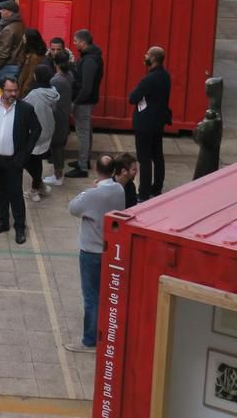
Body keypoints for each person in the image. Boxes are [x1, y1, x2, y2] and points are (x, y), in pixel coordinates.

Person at [64, 153, 125, 353]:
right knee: (106, 294)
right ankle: (106, 333)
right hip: (109, 250)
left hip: (90, 251)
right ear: (115, 171)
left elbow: (72, 208)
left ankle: (90, 340)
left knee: (91, 297)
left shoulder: (92, 194)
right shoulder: (119, 190)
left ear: (96, 171)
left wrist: (92, 188)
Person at [0, 76, 41, 245]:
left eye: (15, 90)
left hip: (14, 161)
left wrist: (24, 155)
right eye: (9, 90)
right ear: (2, 90)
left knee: (15, 193)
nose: (13, 94)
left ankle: (19, 226)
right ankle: (3, 221)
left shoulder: (25, 109)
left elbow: (36, 130)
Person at [128, 46, 172, 200]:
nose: (145, 56)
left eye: (147, 54)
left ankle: (144, 192)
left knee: (144, 159)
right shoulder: (166, 76)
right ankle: (157, 187)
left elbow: (132, 98)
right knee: (158, 157)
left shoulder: (149, 79)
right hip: (158, 122)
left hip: (145, 123)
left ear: (153, 58)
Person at [70, 30, 104, 178]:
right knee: (86, 131)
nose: (74, 43)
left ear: (83, 43)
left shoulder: (89, 60)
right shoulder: (91, 57)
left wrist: (76, 102)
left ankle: (82, 166)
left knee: (83, 133)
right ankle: (85, 160)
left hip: (84, 102)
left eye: (76, 41)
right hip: (87, 100)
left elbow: (86, 86)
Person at [22, 66, 59, 202]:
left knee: (27, 159)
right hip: (47, 128)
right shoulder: (52, 92)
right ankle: (39, 185)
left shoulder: (35, 94)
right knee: (36, 159)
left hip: (35, 130)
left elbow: (24, 108)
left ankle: (35, 187)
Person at [44, 50, 75, 187]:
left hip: (56, 116)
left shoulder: (56, 80)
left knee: (56, 146)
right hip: (64, 114)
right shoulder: (69, 75)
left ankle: (58, 175)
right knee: (59, 145)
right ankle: (58, 174)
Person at [0, 0, 26, 82]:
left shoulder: (8, 29)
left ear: (10, 13)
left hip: (7, 66)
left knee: (4, 91)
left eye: (3, 10)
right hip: (15, 64)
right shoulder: (18, 24)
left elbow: (4, 52)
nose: (0, 11)